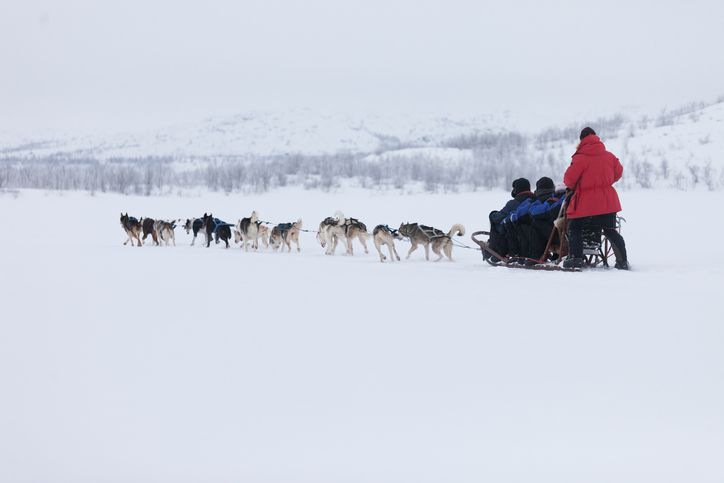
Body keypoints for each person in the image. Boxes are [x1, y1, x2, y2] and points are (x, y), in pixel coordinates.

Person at [562, 127, 628, 269]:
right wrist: (604, 183)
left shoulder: (580, 158)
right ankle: (622, 261)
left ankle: (576, 258)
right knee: (610, 230)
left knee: (575, 227)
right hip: (607, 201)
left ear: (581, 140)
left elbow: (569, 180)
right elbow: (619, 171)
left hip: (585, 201)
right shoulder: (609, 156)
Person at [487, 178, 534, 260]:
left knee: (496, 223)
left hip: (515, 233)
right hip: (529, 232)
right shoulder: (534, 200)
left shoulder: (513, 203)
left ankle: (495, 250)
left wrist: (492, 214)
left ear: (516, 190)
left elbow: (499, 216)